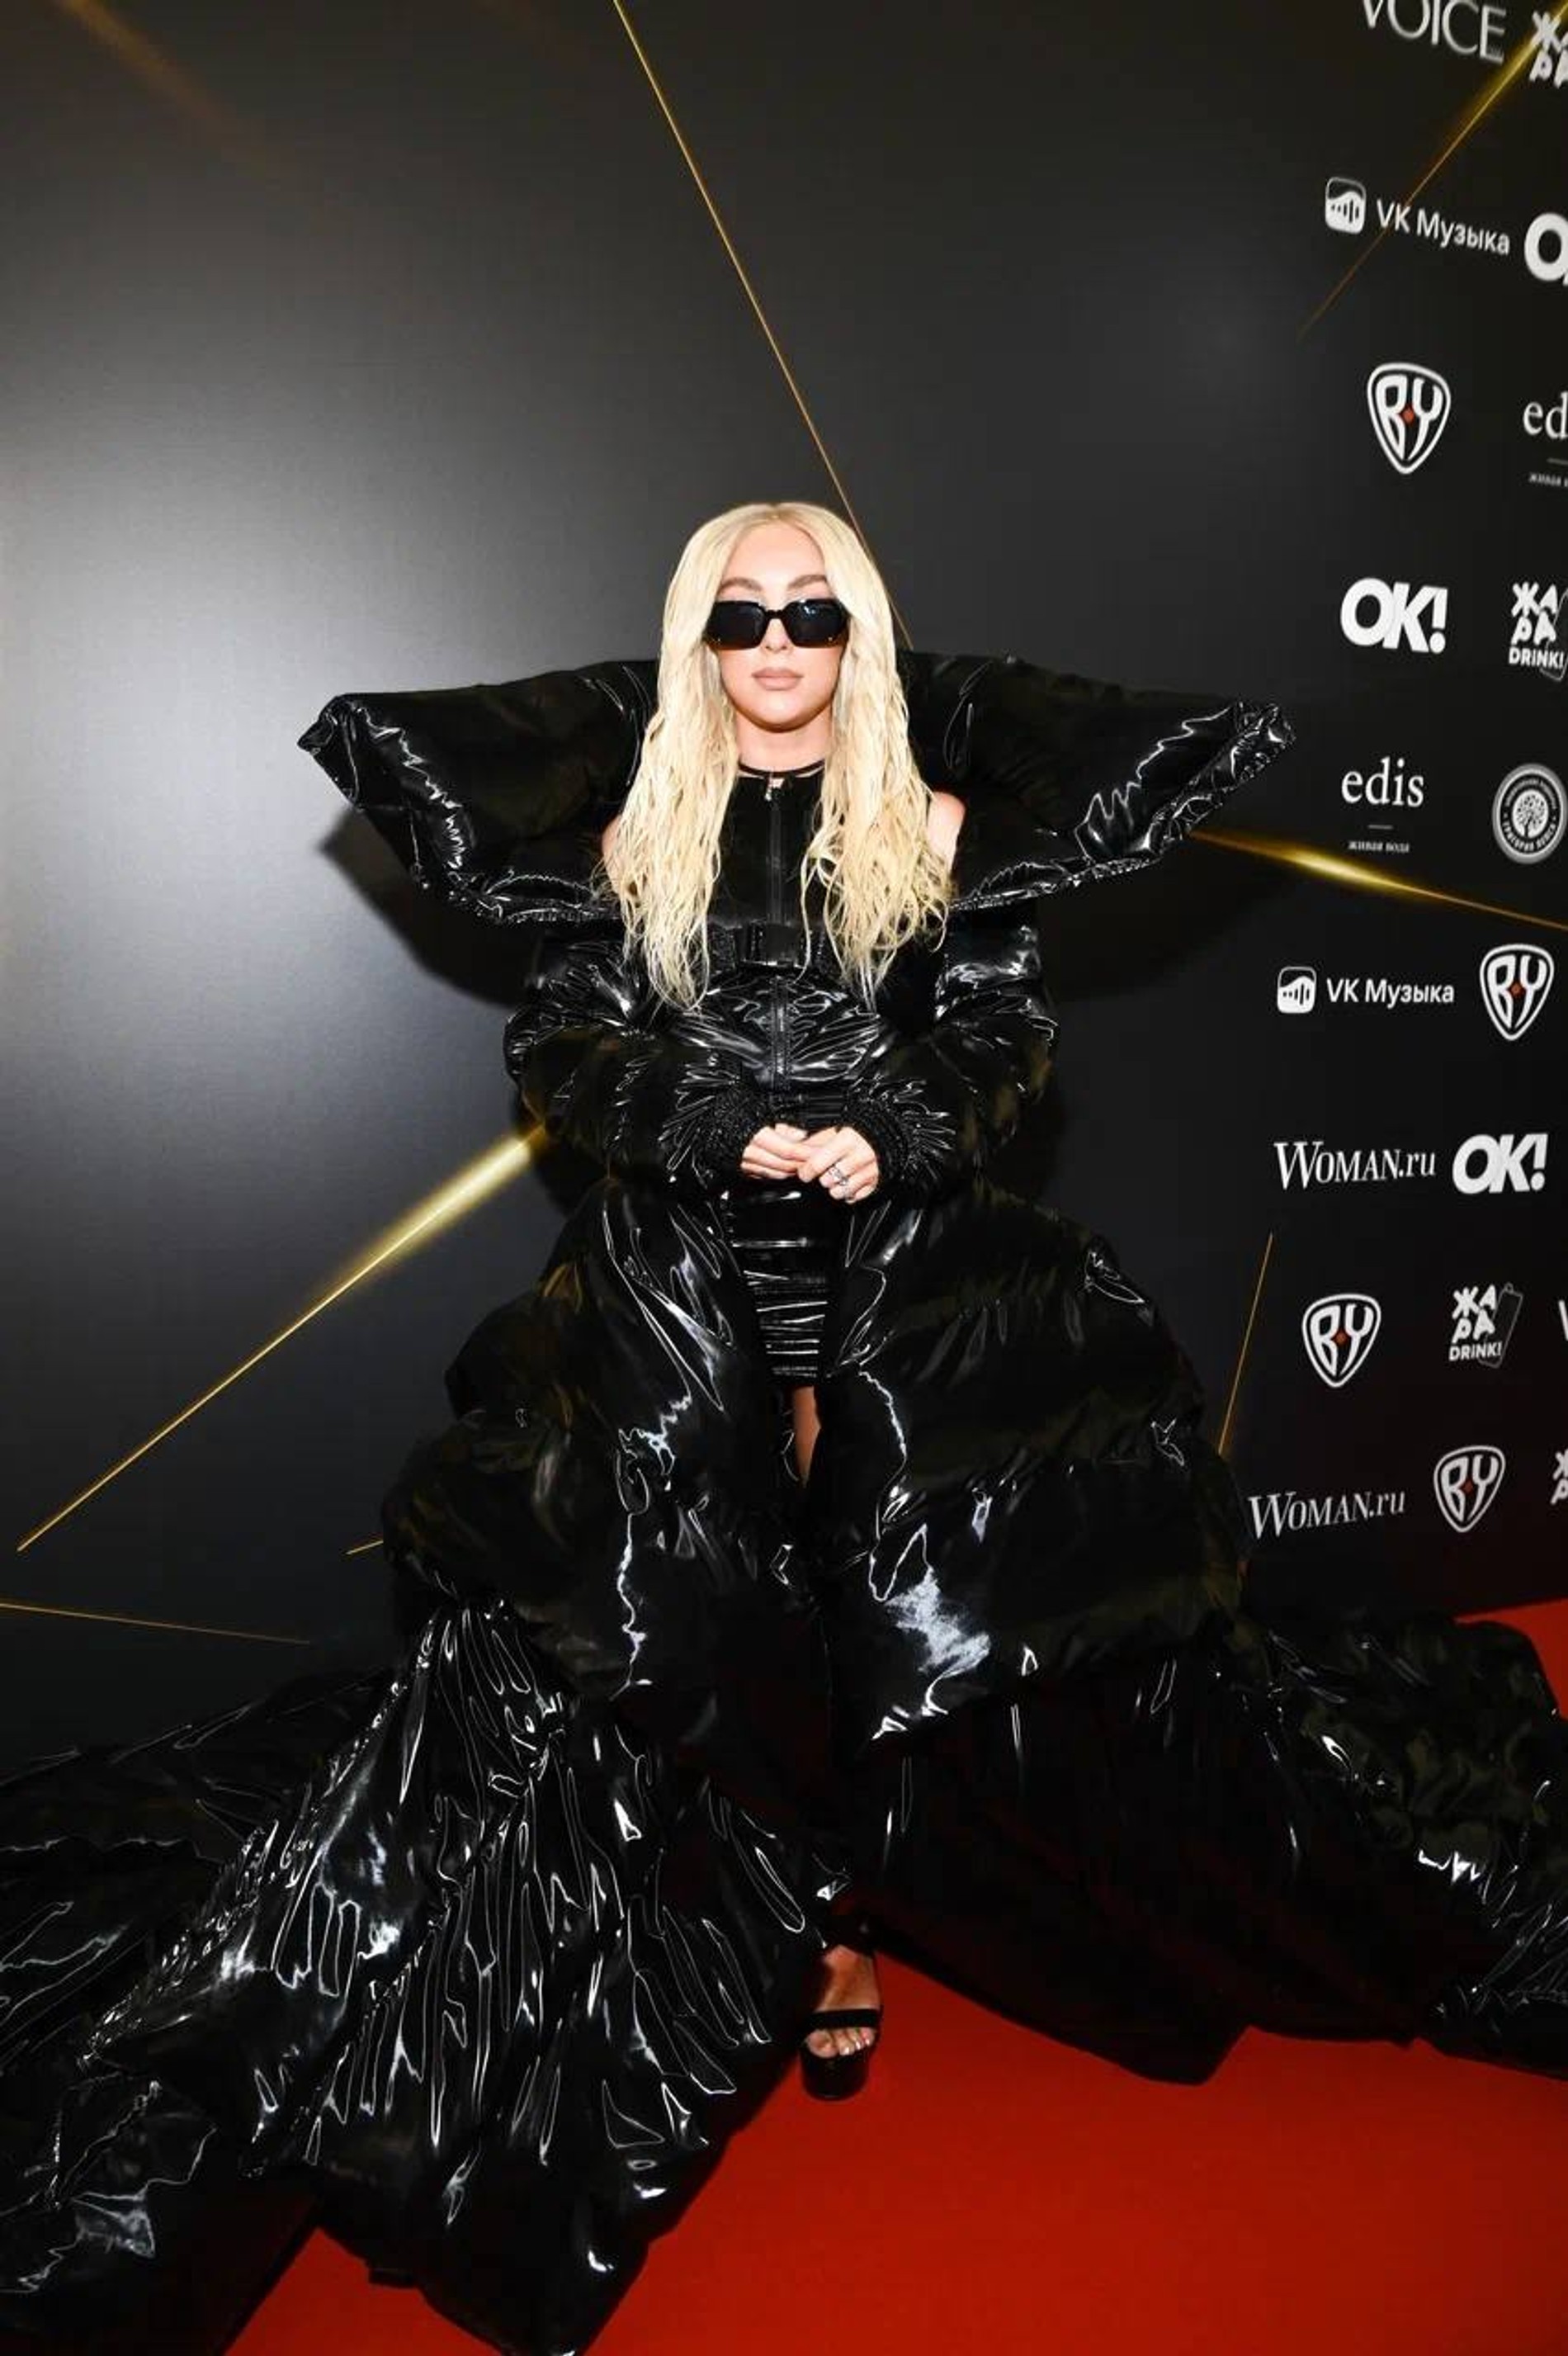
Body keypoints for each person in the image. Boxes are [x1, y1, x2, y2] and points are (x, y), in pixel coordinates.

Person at [3, 495, 1568, 2356]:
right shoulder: (633, 838)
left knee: (891, 1609)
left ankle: (869, 1893)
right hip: (683, 1300)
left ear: (859, 635)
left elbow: (1001, 1045)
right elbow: (565, 1050)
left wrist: (887, 1131)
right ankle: (805, 1931)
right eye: (738, 615)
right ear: (696, 640)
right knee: (691, 1632)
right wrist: (703, 1124)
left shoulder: (934, 827)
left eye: (810, 614)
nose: (773, 647)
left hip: (896, 1301)